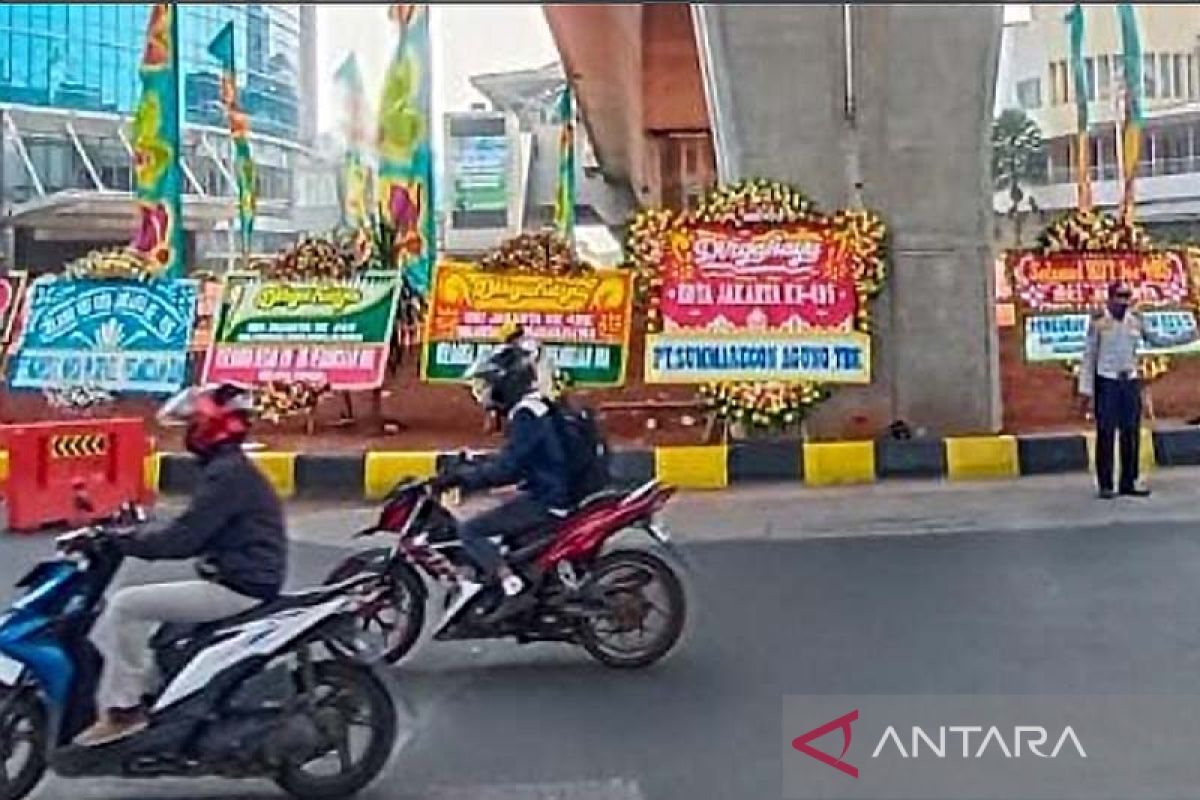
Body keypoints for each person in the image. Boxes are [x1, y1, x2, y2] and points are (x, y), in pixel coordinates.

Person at [76, 383, 287, 746]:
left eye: (192, 425)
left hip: (238, 586)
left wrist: (122, 540)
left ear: (211, 427)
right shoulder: (227, 470)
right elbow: (190, 525)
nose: (187, 434)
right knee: (162, 637)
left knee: (126, 606)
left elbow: (182, 539)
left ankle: (125, 710)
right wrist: (131, 530)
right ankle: (162, 705)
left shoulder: (227, 475)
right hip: (239, 577)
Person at [432, 341, 570, 622]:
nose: (485, 393)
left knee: (471, 529)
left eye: (489, 385)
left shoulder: (525, 416)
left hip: (546, 498)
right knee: (495, 508)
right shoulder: (535, 407)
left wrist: (465, 478)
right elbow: (516, 457)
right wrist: (478, 466)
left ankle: (511, 585)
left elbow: (508, 469)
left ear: (506, 384)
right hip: (550, 487)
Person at [1078, 281, 1197, 499]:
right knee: (1105, 433)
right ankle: (1105, 484)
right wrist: (1086, 390)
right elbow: (1089, 356)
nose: (1124, 301)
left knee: (1130, 433)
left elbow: (1157, 340)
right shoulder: (1099, 322)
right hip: (1107, 382)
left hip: (1129, 382)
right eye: (1119, 297)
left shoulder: (1135, 321)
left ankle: (1129, 481)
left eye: (1127, 296)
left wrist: (1191, 335)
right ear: (1110, 298)